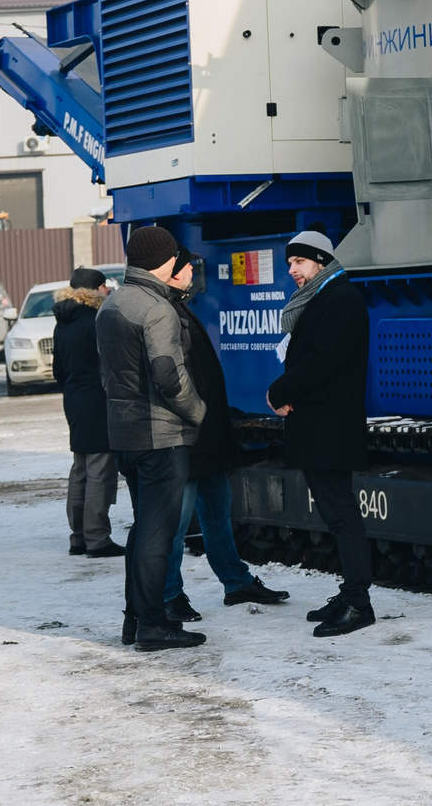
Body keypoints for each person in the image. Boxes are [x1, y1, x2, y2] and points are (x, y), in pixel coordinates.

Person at [99, 227, 208, 651]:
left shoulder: (113, 304)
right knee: (157, 535)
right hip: (160, 434)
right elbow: (169, 375)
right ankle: (153, 624)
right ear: (164, 260)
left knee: (143, 528)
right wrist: (198, 412)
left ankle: (136, 621)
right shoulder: (156, 308)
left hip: (124, 434)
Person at [266, 228, 376, 639]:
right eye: (290, 263)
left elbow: (323, 361)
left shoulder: (340, 299)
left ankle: (358, 603)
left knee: (342, 514)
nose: (292, 270)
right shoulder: (323, 298)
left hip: (330, 427)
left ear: (320, 260)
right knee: (335, 514)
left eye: (298, 262)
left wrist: (279, 390)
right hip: (319, 425)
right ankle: (349, 592)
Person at [163, 274, 290, 619]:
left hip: (206, 434)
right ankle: (169, 595)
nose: (192, 273)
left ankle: (236, 581)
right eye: (185, 267)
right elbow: (172, 378)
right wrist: (198, 414)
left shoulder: (179, 308)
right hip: (186, 437)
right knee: (176, 522)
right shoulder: (164, 312)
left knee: (218, 510)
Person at [51, 267, 123, 557]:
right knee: (99, 471)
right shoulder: (97, 319)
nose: (108, 292)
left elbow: (58, 370)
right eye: (105, 287)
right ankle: (97, 538)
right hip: (98, 399)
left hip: (74, 399)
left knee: (81, 468)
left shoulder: (62, 321)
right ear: (96, 289)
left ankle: (78, 537)